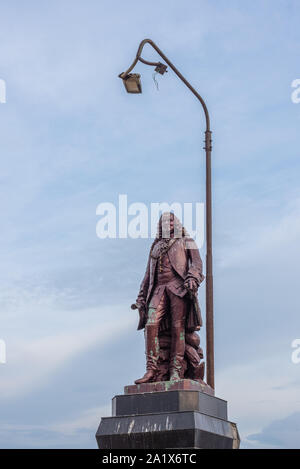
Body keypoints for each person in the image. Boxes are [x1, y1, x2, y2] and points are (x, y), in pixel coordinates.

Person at [134, 212, 205, 384]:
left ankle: (176, 371)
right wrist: (141, 296)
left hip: (178, 289)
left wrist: (192, 278)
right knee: (151, 325)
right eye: (164, 221)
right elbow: (147, 275)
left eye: (171, 220)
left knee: (177, 330)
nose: (168, 223)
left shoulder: (186, 240)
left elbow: (197, 263)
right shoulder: (155, 246)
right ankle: (151, 369)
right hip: (158, 290)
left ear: (177, 223)